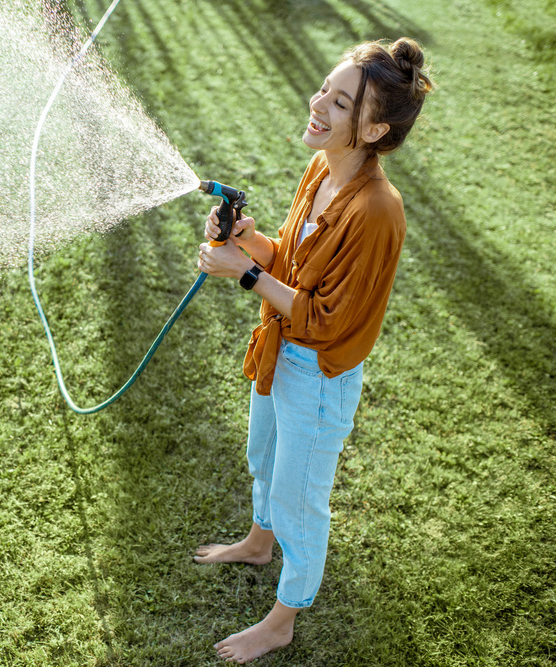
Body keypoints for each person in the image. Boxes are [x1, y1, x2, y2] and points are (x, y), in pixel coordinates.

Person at [193, 38, 435, 663]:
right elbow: (297, 268)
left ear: (375, 128)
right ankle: (257, 542)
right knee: (265, 457)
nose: (319, 104)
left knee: (299, 498)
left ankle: (281, 619)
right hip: (280, 352)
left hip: (318, 372)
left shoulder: (378, 210)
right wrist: (252, 243)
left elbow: (326, 319)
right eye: (324, 89)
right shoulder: (324, 166)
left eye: (341, 102)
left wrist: (243, 275)